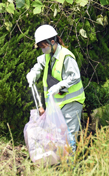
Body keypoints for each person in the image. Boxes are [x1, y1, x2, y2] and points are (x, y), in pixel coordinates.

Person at [26, 24, 85, 152]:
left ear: (52, 41)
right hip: (56, 105)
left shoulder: (66, 56)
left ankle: (70, 169)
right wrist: (32, 74)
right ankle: (60, 167)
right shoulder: (49, 55)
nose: (42, 49)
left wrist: (59, 86)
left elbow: (75, 76)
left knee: (69, 139)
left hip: (71, 102)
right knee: (57, 139)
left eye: (43, 46)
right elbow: (38, 66)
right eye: (40, 47)